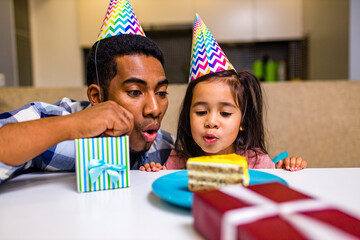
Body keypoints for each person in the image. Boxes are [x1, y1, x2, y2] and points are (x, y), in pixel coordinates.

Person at [0, 0, 173, 183]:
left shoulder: (165, 146)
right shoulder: (53, 123)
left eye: (161, 93)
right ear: (97, 96)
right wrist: (71, 126)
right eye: (135, 92)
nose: (154, 109)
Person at [163, 14, 307, 171]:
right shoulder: (175, 163)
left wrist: (285, 170)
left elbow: (272, 188)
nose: (211, 122)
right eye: (201, 112)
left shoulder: (257, 163)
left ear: (243, 121)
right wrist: (152, 173)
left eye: (224, 113)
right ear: (188, 116)